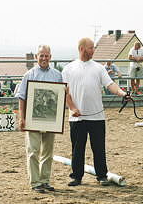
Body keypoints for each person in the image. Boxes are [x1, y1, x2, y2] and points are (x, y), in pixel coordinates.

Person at [62, 38, 131, 187]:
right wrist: (73, 108)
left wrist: (122, 93)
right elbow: (65, 93)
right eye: (90, 48)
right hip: (76, 118)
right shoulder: (68, 69)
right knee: (77, 149)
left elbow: (110, 84)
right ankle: (76, 176)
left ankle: (101, 176)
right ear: (81, 49)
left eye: (93, 48)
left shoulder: (99, 68)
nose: (93, 50)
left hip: (97, 116)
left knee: (99, 148)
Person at [16, 45, 62, 193]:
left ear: (50, 57)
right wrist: (21, 118)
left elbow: (60, 97)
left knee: (48, 151)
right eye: (41, 55)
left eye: (46, 55)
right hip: (32, 119)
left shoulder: (57, 75)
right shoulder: (28, 75)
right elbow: (22, 97)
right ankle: (35, 182)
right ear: (36, 57)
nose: (43, 58)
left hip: (50, 120)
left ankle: (44, 180)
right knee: (33, 151)